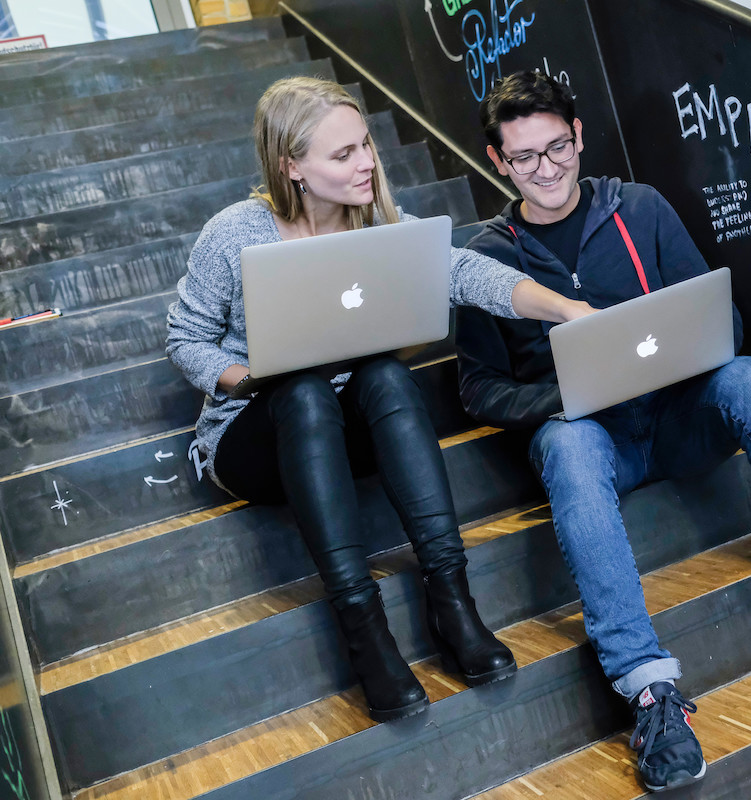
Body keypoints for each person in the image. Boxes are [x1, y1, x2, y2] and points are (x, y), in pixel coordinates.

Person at [455, 70, 751, 791]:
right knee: (566, 443)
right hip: (594, 443)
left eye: (557, 149)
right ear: (497, 161)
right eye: (525, 158)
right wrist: (563, 399)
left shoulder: (639, 209)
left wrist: (688, 348)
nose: (546, 170)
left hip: (678, 421)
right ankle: (649, 692)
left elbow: (724, 326)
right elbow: (477, 389)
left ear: (580, 137)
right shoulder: (485, 256)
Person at [166, 77, 592, 723]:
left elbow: (468, 272)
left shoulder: (384, 226)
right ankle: (362, 628)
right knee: (304, 389)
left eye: (365, 145)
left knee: (388, 377)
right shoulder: (236, 234)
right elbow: (186, 338)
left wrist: (564, 309)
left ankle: (452, 600)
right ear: (292, 167)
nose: (366, 162)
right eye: (343, 155)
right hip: (257, 437)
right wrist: (253, 378)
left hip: (355, 432)